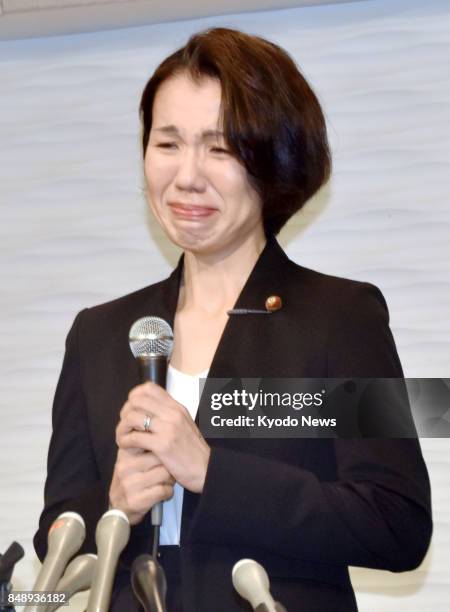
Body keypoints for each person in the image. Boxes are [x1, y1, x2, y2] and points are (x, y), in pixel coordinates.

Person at [34, 27, 432, 611]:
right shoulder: (98, 333)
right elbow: (54, 535)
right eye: (167, 144)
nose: (187, 176)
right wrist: (114, 500)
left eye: (220, 149)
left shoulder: (342, 317)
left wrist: (211, 472)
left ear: (277, 162)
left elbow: (397, 523)